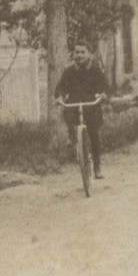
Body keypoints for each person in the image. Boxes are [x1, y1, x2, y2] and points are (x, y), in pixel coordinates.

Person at [56, 39, 109, 179]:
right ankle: (73, 134)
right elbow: (61, 87)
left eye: (82, 52)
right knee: (66, 111)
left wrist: (102, 94)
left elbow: (105, 86)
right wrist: (60, 96)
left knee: (94, 136)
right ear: (73, 54)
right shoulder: (69, 71)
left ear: (90, 54)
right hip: (75, 104)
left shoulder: (96, 70)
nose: (79, 55)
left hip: (91, 105)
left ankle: (97, 167)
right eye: (76, 52)